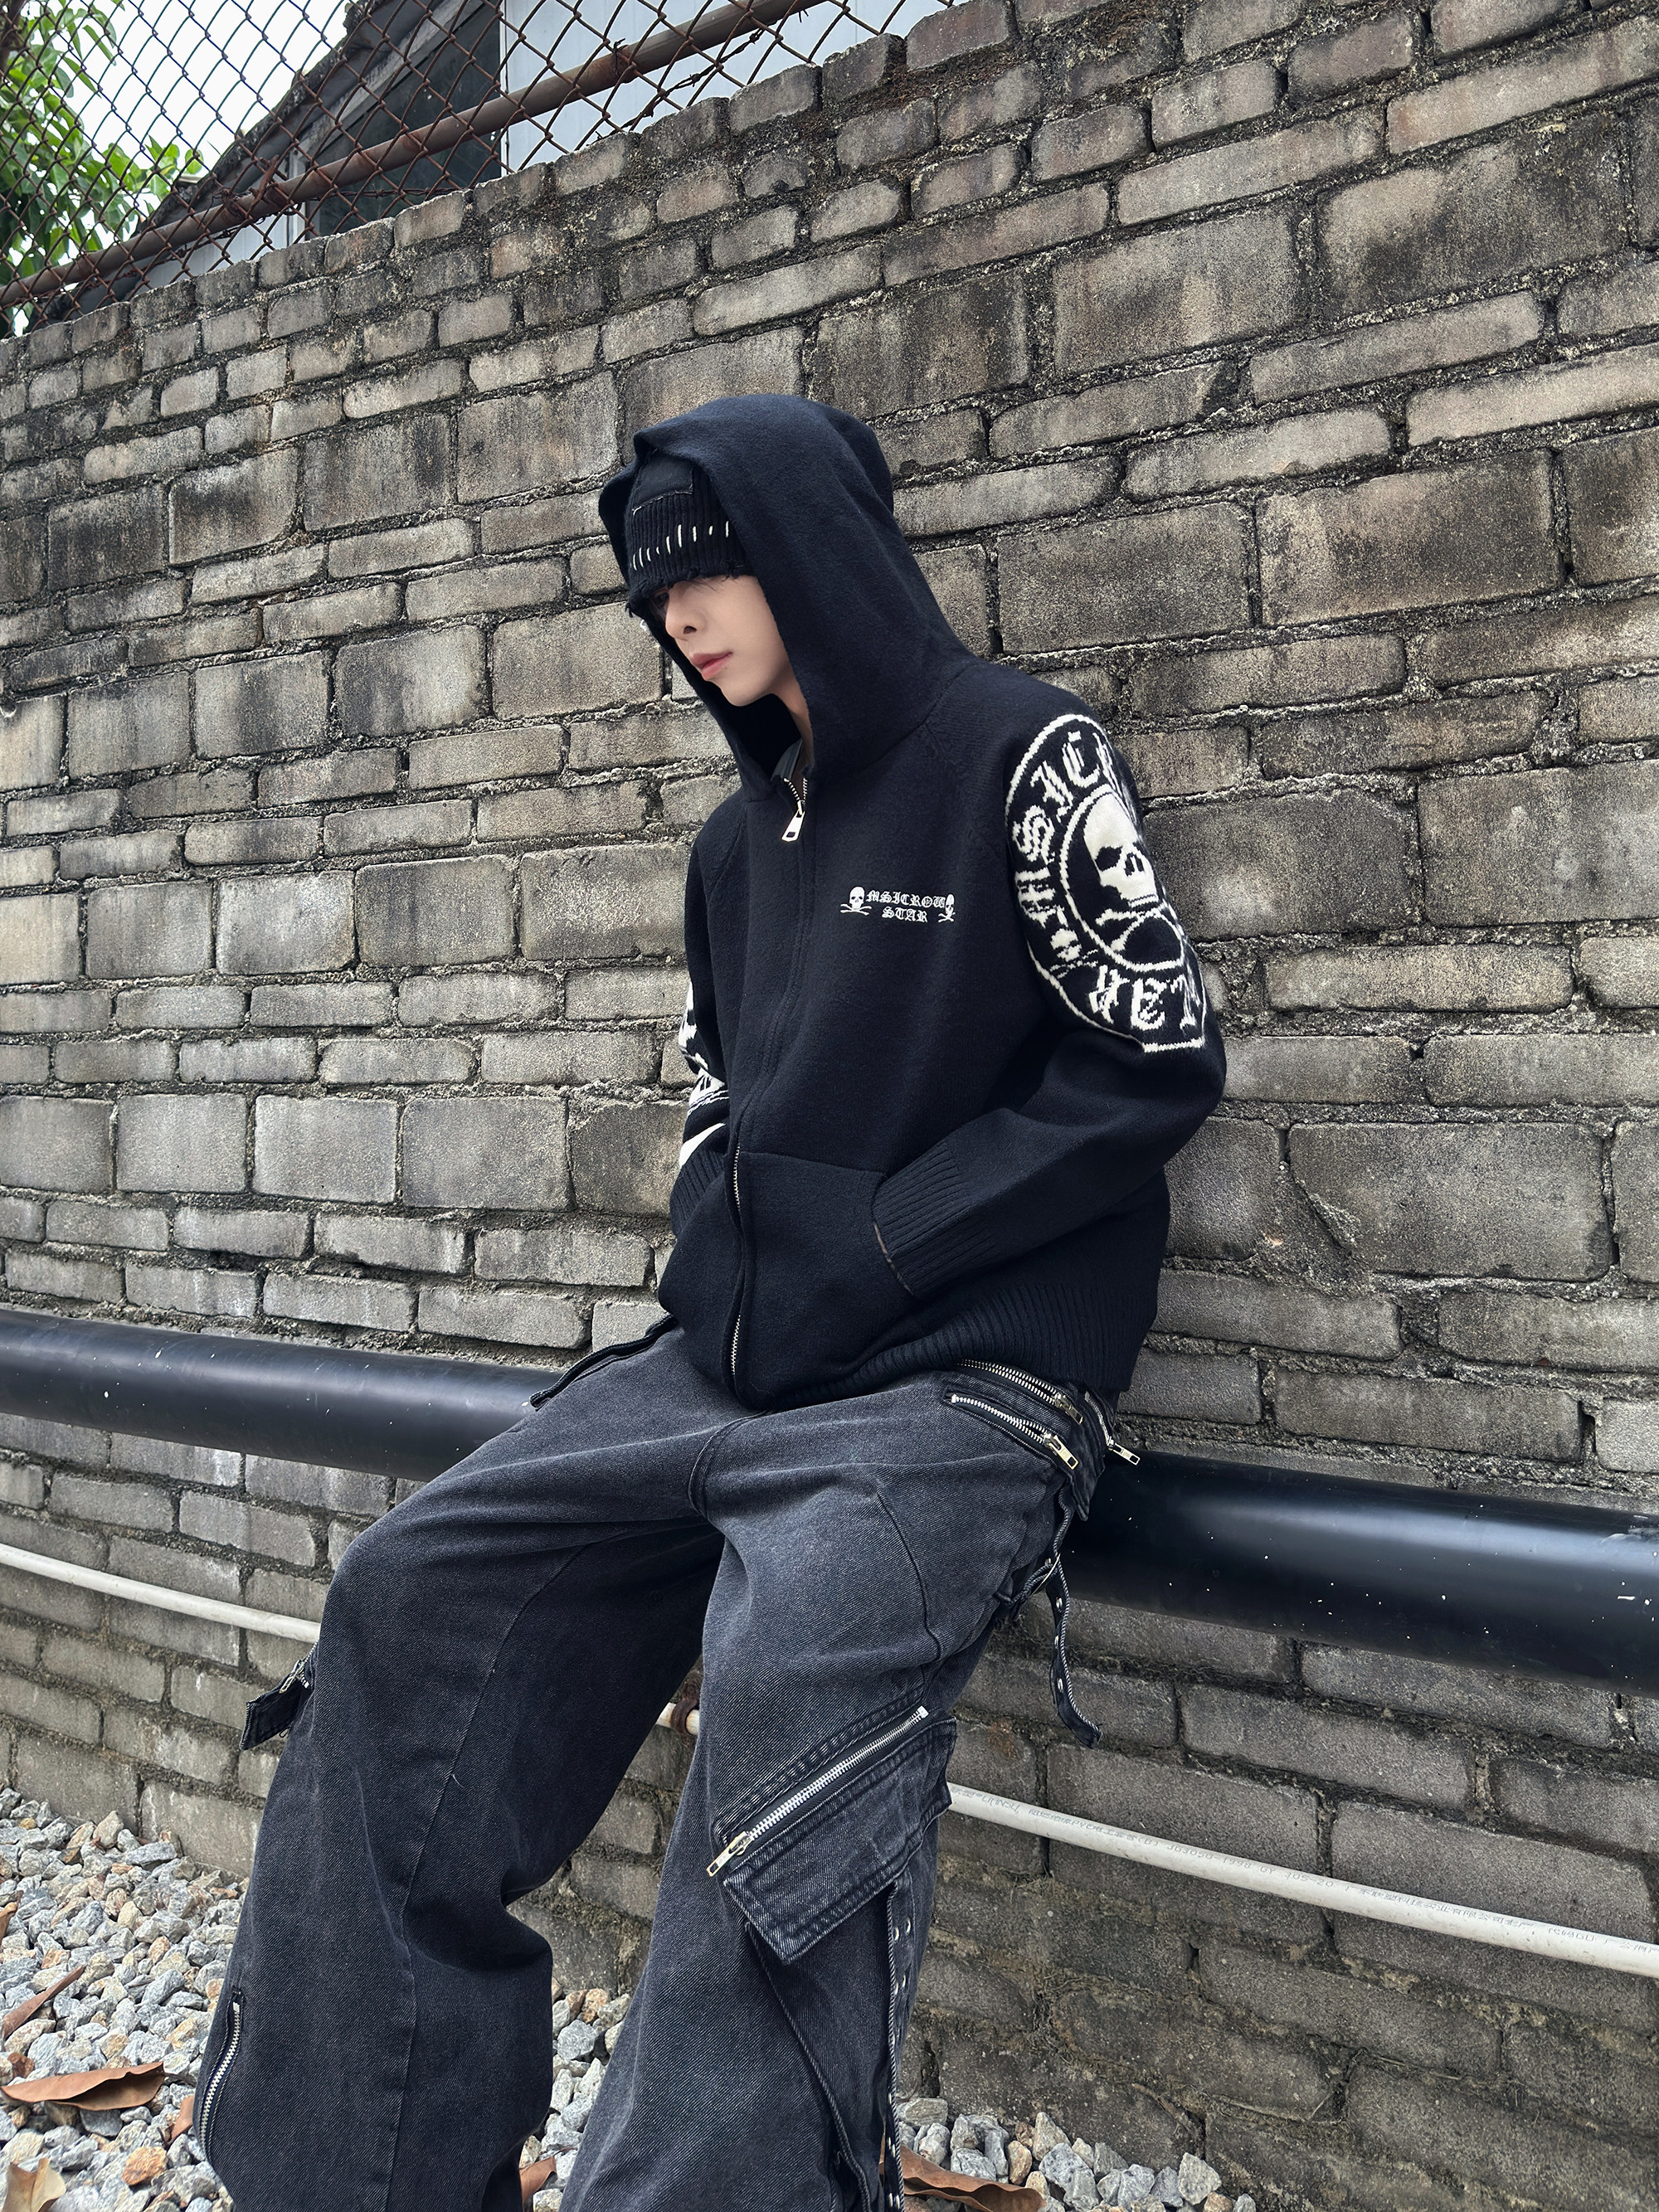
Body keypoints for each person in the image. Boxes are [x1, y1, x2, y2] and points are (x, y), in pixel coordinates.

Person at [194, 392, 1226, 2212]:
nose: (677, 615)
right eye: (651, 594)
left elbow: (1151, 1058)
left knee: (786, 1680)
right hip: (736, 1368)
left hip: (970, 1382)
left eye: (705, 571)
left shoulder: (1023, 754)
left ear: (815, 552)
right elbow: (713, 1105)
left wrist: (885, 1249)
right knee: (404, 1594)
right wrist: (727, 1273)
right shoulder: (731, 852)